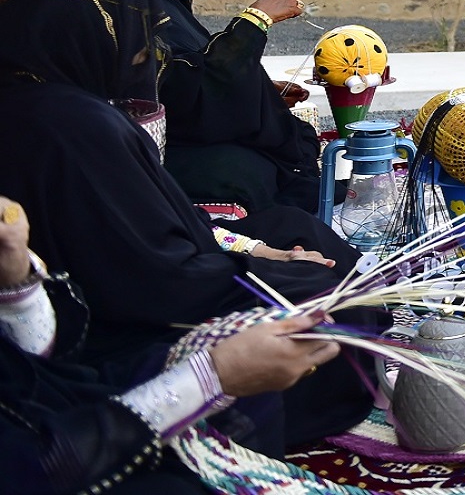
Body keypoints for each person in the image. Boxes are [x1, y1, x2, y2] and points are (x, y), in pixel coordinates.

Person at [0, 0, 375, 452]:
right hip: (112, 328)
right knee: (324, 294)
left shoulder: (38, 96)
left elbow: (147, 223)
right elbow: (153, 277)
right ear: (97, 35)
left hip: (123, 282)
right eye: (138, 33)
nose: (146, 52)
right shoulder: (74, 125)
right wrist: (258, 270)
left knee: (289, 227)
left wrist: (259, 252)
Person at [1, 195, 339, 494]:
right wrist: (212, 375)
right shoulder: (76, 130)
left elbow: (33, 371)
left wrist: (16, 284)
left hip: (57, 398)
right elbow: (35, 467)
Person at [95, 0, 323, 212]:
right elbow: (189, 88)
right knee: (252, 170)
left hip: (199, 128)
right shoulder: (135, 20)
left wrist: (261, 92)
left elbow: (203, 68)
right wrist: (257, 18)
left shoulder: (171, 11)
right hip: (173, 141)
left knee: (295, 134)